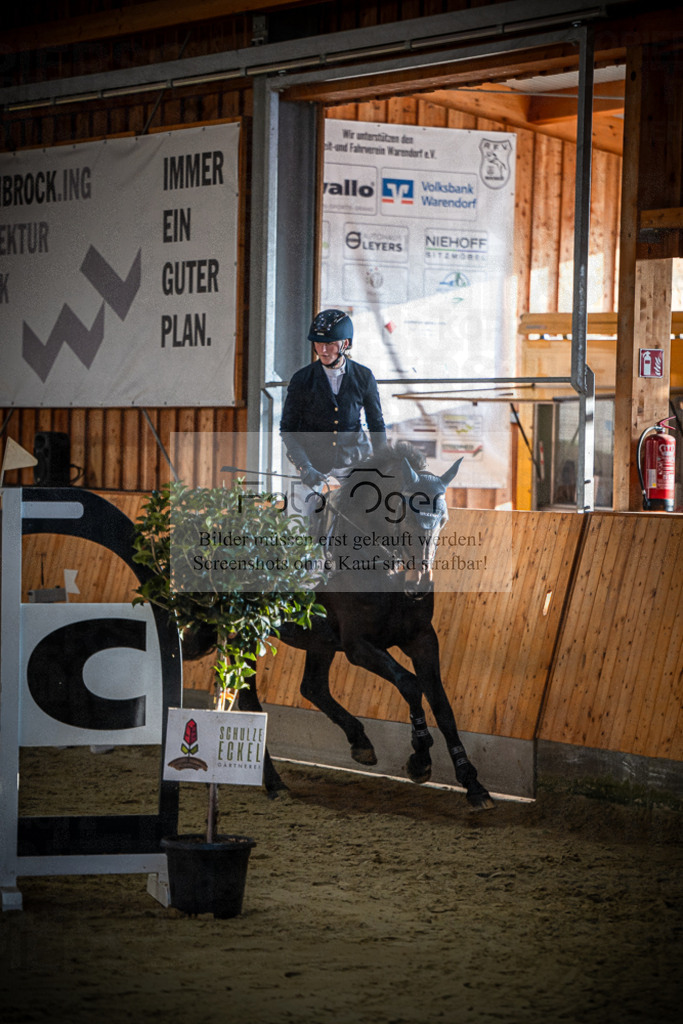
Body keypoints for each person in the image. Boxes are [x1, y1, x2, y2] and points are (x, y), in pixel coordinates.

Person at [280, 309, 387, 496]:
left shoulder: (364, 376)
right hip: (312, 461)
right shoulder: (302, 379)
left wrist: (382, 464)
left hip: (354, 459)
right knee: (300, 516)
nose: (322, 350)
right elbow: (288, 429)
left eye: (329, 344)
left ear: (345, 344)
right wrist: (304, 466)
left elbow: (376, 424)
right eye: (318, 343)